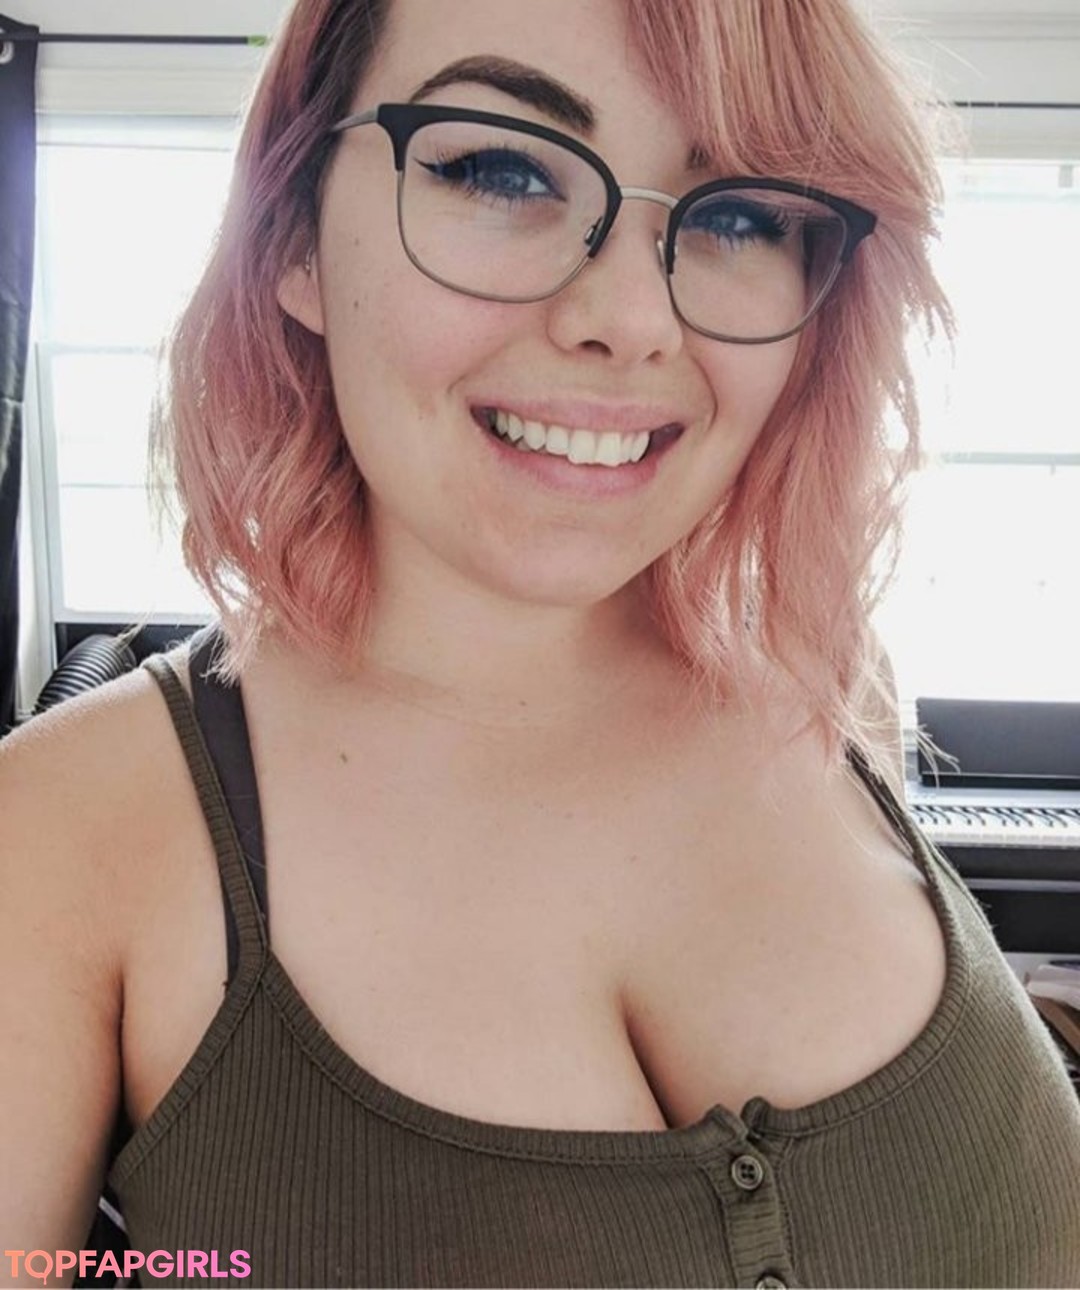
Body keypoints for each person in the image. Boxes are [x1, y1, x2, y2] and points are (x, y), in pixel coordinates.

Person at [2, 0, 1079, 1285]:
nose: (632, 318)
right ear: (291, 234)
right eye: (502, 170)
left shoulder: (827, 687)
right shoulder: (65, 835)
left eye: (742, 215)